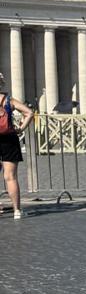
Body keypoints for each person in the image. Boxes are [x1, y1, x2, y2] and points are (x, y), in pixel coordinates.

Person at [0, 75, 34, 219]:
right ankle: (17, 211)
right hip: (9, 138)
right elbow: (29, 113)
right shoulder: (8, 100)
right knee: (10, 177)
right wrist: (20, 128)